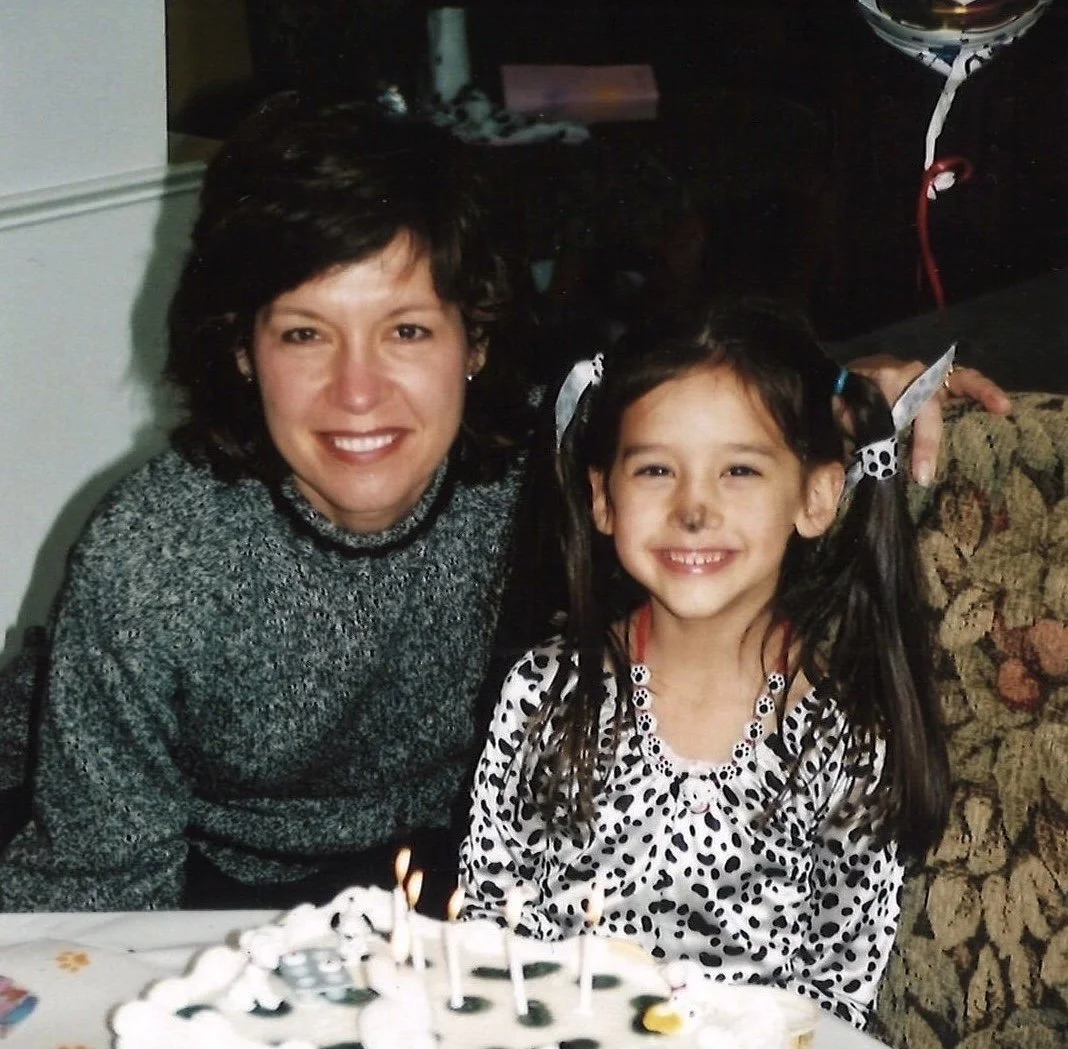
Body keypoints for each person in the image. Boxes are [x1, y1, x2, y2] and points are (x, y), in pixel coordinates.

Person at [0, 93, 1005, 914]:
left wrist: (844, 394)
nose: (358, 394)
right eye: (305, 335)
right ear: (238, 347)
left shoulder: (561, 477)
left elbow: (727, 464)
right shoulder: (151, 557)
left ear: (475, 340)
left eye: (406, 332)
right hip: (199, 889)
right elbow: (94, 899)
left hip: (456, 880)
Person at [459, 297, 952, 1028]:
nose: (694, 508)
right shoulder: (546, 691)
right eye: (657, 468)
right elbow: (487, 926)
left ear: (816, 494)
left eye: (740, 471)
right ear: (603, 497)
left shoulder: (841, 730)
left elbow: (836, 990)